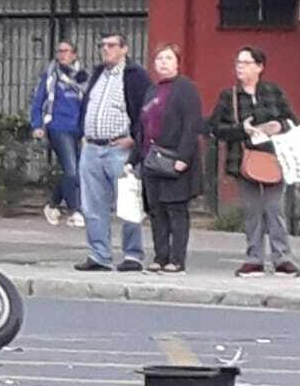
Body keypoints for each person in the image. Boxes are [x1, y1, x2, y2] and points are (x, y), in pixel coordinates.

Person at [208, 46, 300, 278]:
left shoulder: (273, 91)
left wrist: (280, 126)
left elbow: (291, 119)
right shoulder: (229, 96)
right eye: (238, 62)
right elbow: (215, 128)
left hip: (273, 158)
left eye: (246, 62)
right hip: (243, 160)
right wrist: (242, 129)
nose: (240, 66)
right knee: (252, 211)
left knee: (275, 208)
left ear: (260, 67)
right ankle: (254, 259)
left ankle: (282, 258)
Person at [74, 33, 151, 273]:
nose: (105, 49)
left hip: (119, 148)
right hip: (92, 148)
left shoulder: (135, 76)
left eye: (111, 45)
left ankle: (132, 254)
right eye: (102, 45)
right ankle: (99, 254)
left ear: (124, 49)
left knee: (128, 203)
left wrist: (135, 140)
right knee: (93, 205)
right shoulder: (98, 74)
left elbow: (145, 111)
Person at [136, 44, 204, 273]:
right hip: (152, 159)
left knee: (175, 209)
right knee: (156, 210)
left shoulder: (186, 89)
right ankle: (160, 256)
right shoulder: (152, 90)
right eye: (159, 59)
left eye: (168, 58)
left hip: (175, 158)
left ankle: (177, 259)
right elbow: (142, 124)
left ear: (177, 62)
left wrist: (184, 156)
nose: (163, 63)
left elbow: (191, 124)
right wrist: (135, 156)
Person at [29, 41, 87, 228]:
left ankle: (52, 204)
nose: (62, 55)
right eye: (59, 51)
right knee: (71, 169)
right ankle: (75, 210)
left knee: (76, 170)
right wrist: (37, 124)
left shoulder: (82, 77)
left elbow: (87, 103)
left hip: (78, 129)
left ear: (74, 55)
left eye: (66, 51)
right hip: (57, 127)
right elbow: (39, 101)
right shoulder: (50, 76)